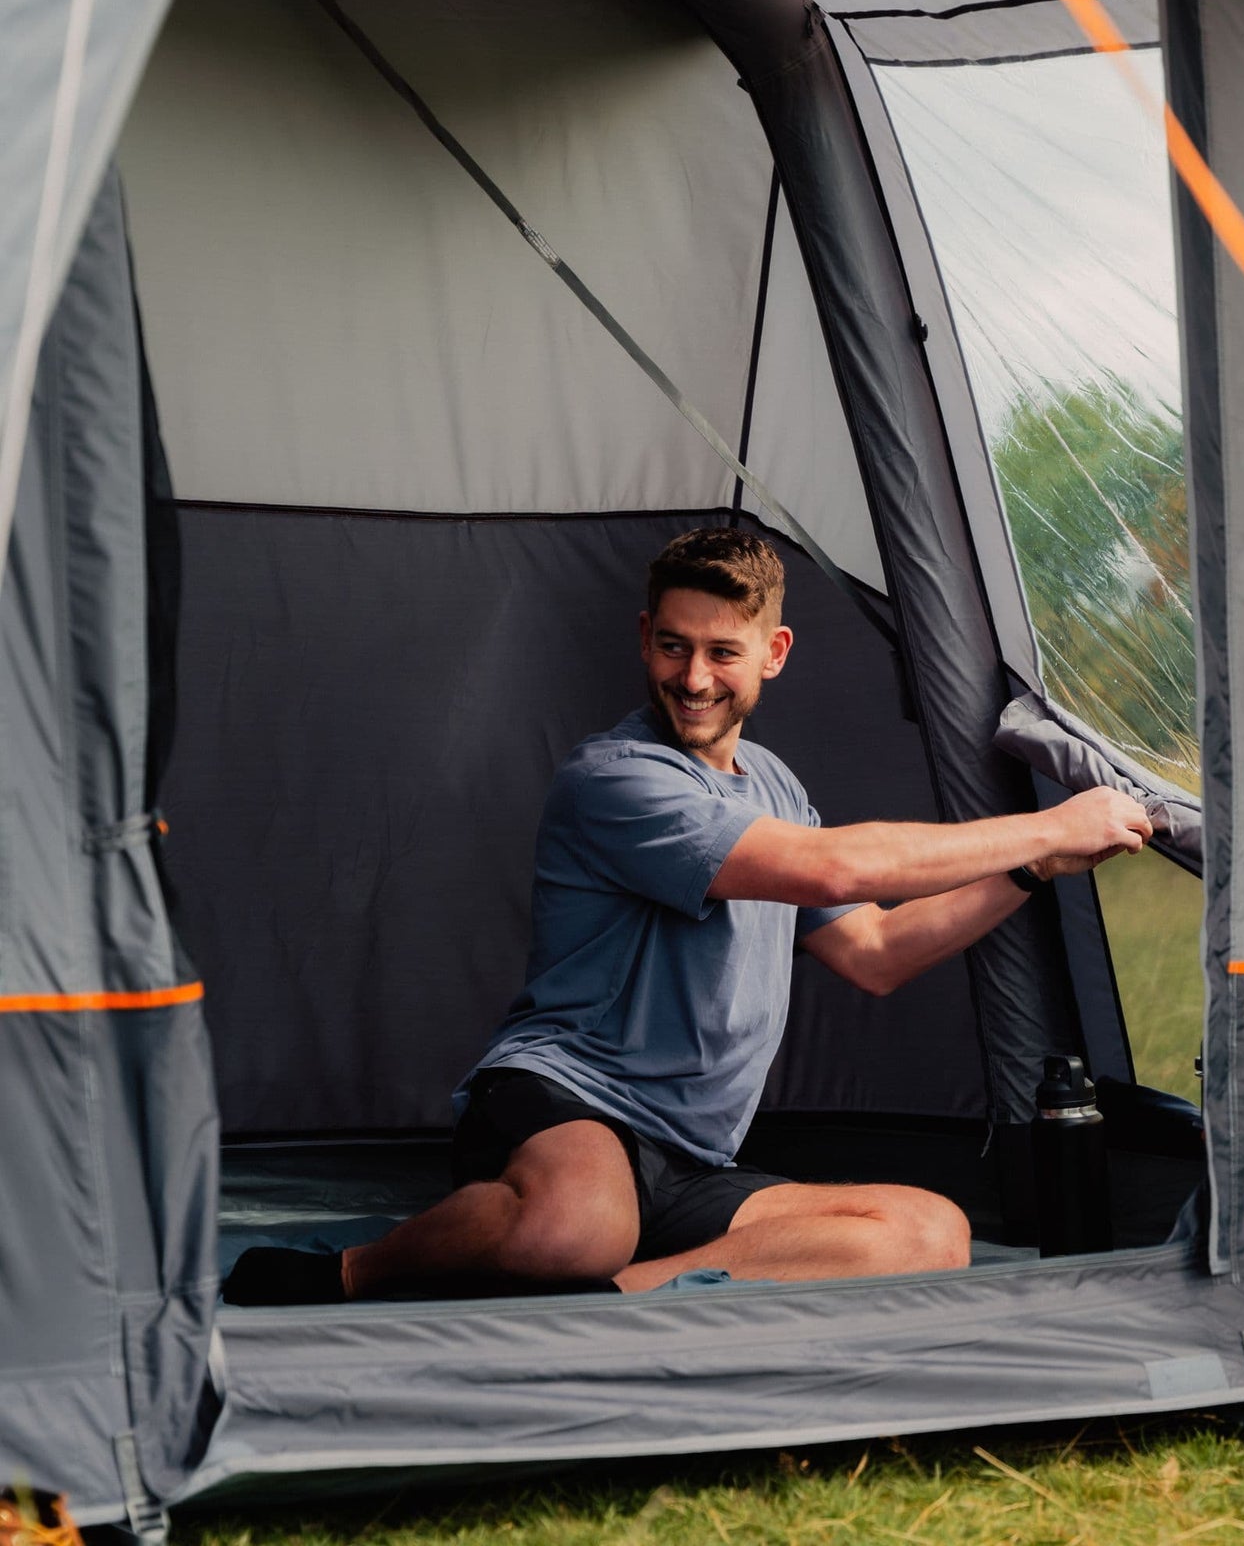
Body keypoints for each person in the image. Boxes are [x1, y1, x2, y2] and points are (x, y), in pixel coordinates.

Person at [224, 529, 1151, 1305]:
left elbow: (876, 949)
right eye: (673, 646)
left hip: (688, 1157)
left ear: (773, 655)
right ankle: (350, 1274)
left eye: (722, 652)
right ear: (643, 640)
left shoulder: (777, 787)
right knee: (579, 1222)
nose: (694, 677)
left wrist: (1034, 866)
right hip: (564, 1102)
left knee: (929, 1232)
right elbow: (831, 872)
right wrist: (1048, 819)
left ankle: (609, 1304)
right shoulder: (615, 780)